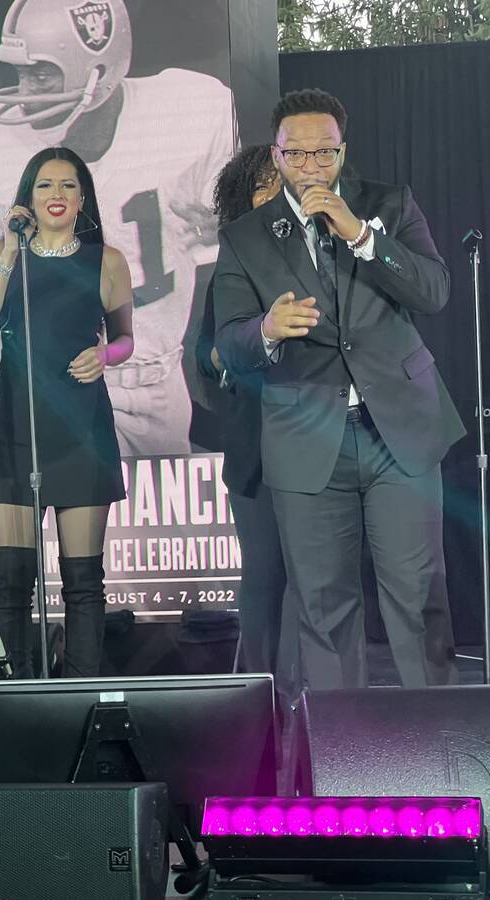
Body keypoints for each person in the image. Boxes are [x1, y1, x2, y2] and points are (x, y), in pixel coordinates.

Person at [213, 90, 464, 695]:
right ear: (276, 158)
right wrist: (267, 330)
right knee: (322, 605)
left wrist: (360, 235)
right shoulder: (248, 237)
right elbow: (228, 340)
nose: (311, 167)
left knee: (417, 595)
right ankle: (343, 764)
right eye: (296, 155)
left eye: (323, 153)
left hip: (396, 433)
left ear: (342, 151)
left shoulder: (389, 205)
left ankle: (441, 755)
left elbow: (433, 291)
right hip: (306, 437)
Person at [0, 0, 233, 455]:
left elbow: (222, 262)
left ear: (98, 68)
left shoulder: (191, 112)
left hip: (159, 379)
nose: (24, 89)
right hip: (51, 381)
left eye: (41, 73)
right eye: (19, 73)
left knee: (156, 518)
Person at [0, 147, 133, 678]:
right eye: (44, 186)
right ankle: (6, 695)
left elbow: (126, 338)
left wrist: (104, 354)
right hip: (18, 424)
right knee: (11, 580)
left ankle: (80, 694)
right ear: (28, 197)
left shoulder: (106, 260)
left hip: (81, 428)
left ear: (82, 197)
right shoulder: (5, 252)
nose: (56, 196)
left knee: (83, 580)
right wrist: (9, 251)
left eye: (67, 186)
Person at [194, 145, 288, 688]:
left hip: (323, 442)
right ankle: (259, 698)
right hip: (255, 447)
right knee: (262, 578)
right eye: (260, 184)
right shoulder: (229, 267)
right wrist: (235, 350)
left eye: (280, 182)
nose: (271, 194)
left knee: (315, 584)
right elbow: (203, 354)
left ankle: (316, 706)